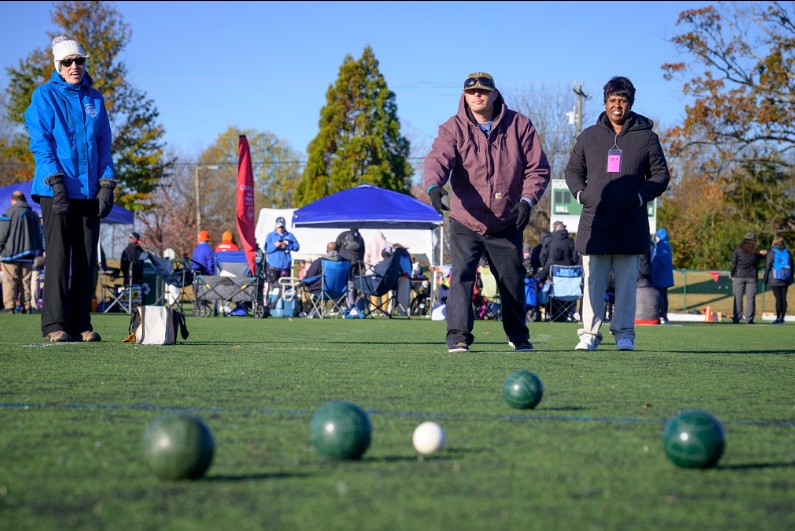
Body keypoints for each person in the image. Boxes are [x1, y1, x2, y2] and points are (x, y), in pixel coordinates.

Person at [425, 71, 551, 353]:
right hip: (466, 219)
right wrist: (434, 186)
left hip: (506, 219)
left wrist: (528, 200)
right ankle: (458, 336)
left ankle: (518, 336)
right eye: (472, 92)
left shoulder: (519, 125)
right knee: (461, 277)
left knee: (512, 279)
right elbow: (438, 159)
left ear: (494, 94)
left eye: (483, 91)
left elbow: (538, 168)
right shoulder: (452, 128)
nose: (477, 95)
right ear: (464, 96)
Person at [564, 76, 670, 351]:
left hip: (629, 223)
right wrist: (582, 195)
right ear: (605, 103)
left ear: (630, 103)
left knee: (626, 285)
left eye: (622, 100)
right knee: (593, 284)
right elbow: (572, 171)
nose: (617, 106)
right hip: (595, 223)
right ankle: (589, 334)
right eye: (612, 100)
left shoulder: (647, 137)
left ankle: (624, 334)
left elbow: (660, 176)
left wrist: (638, 197)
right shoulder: (589, 136)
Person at [25, 36, 116, 342]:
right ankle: (54, 325)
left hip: (89, 190)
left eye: (79, 61)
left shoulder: (95, 99)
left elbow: (104, 145)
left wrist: (107, 184)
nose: (74, 66)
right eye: (67, 62)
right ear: (58, 66)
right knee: (59, 258)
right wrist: (55, 180)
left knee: (87, 261)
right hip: (56, 190)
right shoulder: (44, 95)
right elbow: (41, 142)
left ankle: (80, 324)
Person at [0, 191, 44, 313]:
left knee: (10, 281)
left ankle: (9, 307)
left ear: (12, 200)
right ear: (24, 199)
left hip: (10, 255)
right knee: (26, 282)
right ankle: (27, 306)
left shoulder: (9, 213)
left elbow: (2, 234)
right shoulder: (32, 215)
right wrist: (38, 253)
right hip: (28, 255)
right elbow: (38, 236)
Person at [730, 232, 767, 324]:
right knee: (750, 299)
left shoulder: (738, 249)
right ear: (754, 240)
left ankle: (737, 318)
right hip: (751, 277)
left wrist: (732, 274)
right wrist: (761, 254)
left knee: (738, 298)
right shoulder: (755, 251)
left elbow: (734, 262)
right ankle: (749, 319)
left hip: (739, 276)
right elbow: (755, 259)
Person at [763, 235, 793, 325]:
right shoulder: (788, 252)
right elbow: (792, 265)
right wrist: (791, 278)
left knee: (778, 298)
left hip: (775, 278)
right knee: (783, 298)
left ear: (774, 242)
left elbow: (768, 266)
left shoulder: (772, 252)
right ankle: (783, 318)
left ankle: (778, 317)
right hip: (786, 277)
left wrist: (765, 278)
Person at [264, 216, 300, 287]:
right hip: (272, 267)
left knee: (284, 287)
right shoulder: (270, 236)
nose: (280, 228)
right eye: (279, 227)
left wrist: (287, 246)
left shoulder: (290, 236)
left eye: (282, 227)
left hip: (285, 267)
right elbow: (266, 249)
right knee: (272, 287)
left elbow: (297, 247)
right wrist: (275, 245)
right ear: (276, 226)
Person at [651, 228, 674, 324]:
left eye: (657, 236)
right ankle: (664, 315)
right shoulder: (665, 245)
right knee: (663, 296)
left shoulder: (662, 246)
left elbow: (660, 261)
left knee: (661, 296)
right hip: (665, 276)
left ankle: (662, 315)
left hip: (661, 276)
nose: (656, 238)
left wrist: (653, 270)